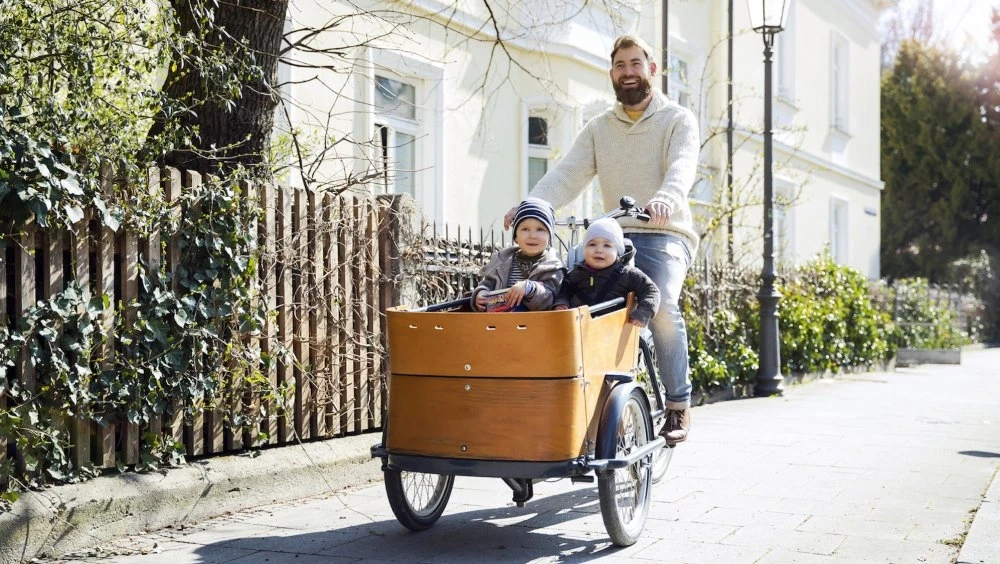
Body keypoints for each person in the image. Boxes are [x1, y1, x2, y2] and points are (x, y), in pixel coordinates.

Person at [503, 34, 699, 444]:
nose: (628, 73)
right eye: (620, 66)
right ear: (612, 74)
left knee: (660, 302)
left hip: (665, 232)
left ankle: (678, 405)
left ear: (652, 70)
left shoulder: (677, 119)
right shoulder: (599, 128)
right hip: (613, 234)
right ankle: (574, 396)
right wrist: (531, 205)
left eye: (635, 64)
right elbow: (567, 173)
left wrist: (665, 198)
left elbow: (682, 166)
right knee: (563, 293)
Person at [553, 218, 660, 329]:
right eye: (592, 244)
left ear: (618, 251)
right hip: (580, 330)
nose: (599, 250)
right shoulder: (576, 273)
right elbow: (563, 291)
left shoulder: (628, 274)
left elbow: (651, 291)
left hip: (614, 331)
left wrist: (643, 312)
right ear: (584, 249)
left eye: (607, 246)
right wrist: (561, 304)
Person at [471, 197, 564, 312]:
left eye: (540, 229)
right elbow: (488, 283)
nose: (532, 235)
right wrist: (482, 293)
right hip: (497, 324)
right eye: (525, 229)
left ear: (549, 236)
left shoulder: (552, 266)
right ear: (516, 236)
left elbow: (549, 300)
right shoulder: (502, 261)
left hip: (534, 325)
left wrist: (530, 288)